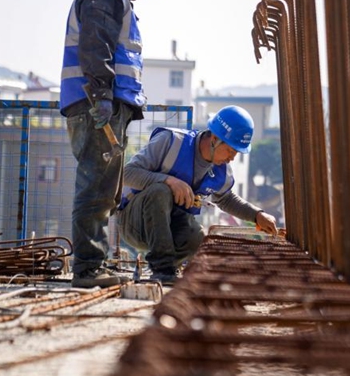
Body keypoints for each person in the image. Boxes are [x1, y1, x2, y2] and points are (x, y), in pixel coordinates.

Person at [59, 0, 163, 288]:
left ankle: (95, 262)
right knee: (95, 185)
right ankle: (88, 269)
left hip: (105, 105)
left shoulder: (116, 0)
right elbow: (95, 47)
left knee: (106, 188)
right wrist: (102, 97)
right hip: (96, 105)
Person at [116, 105, 278, 285]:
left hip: (168, 227)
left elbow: (226, 199)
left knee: (197, 239)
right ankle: (163, 270)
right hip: (134, 223)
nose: (232, 157)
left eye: (236, 153)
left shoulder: (222, 171)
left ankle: (169, 264)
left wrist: (257, 215)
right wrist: (168, 180)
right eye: (230, 150)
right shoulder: (171, 142)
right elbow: (127, 173)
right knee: (160, 191)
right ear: (215, 139)